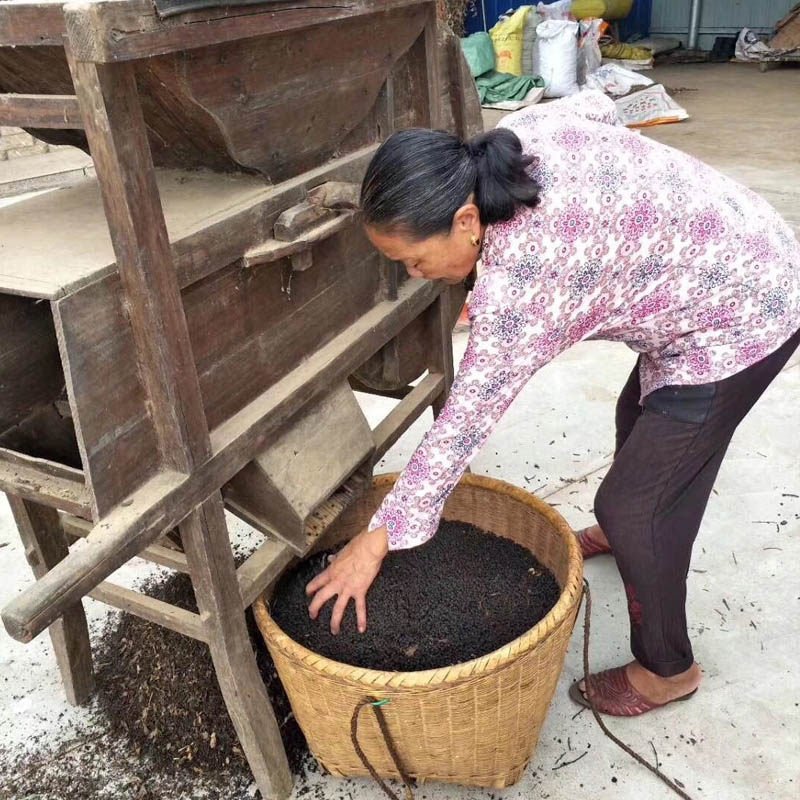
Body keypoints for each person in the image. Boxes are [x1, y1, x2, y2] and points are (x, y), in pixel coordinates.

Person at [306, 91, 800, 717]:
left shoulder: (523, 285)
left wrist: (378, 539)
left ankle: (667, 669)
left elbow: (463, 423)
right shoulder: (520, 134)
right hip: (728, 246)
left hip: (747, 310)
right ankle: (629, 543)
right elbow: (599, 106)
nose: (414, 275)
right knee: (637, 420)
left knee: (635, 506)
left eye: (415, 260)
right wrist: (635, 218)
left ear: (466, 220)